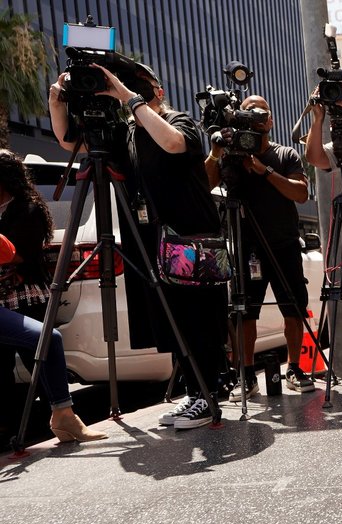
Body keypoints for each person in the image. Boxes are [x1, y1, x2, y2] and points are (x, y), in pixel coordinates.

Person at [49, 63, 228, 430]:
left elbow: (173, 144)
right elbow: (72, 141)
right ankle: (196, 393)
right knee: (171, 318)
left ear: (158, 92)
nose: (127, 95)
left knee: (198, 319)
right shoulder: (126, 132)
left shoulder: (180, 121)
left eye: (138, 90)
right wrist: (56, 103)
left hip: (190, 238)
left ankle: (209, 395)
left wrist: (127, 97)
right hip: (152, 241)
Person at [205, 95, 313, 399]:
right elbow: (204, 185)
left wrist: (263, 170)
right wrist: (216, 153)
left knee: (293, 307)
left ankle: (294, 368)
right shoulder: (230, 155)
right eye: (248, 113)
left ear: (270, 120)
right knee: (244, 312)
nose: (255, 117)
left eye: (260, 113)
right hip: (246, 245)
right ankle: (247, 375)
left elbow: (301, 193)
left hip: (284, 243)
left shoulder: (285, 154)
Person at [0, 153, 106, 443]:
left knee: (41, 358)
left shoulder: (27, 209)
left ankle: (60, 416)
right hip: (3, 300)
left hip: (25, 295)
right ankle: (9, 427)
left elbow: (17, 254)